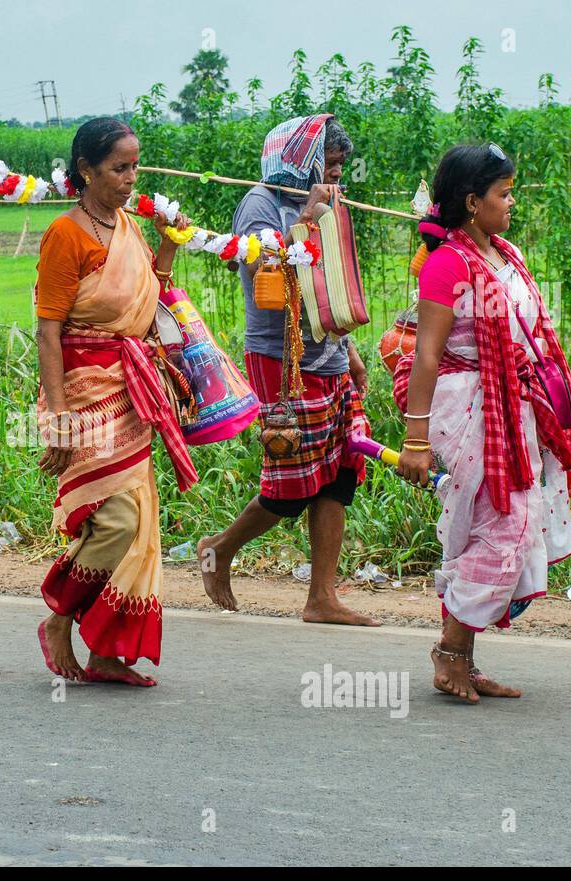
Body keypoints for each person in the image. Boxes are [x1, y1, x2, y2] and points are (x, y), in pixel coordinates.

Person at [398, 143, 571, 702]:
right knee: (506, 527)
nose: (512, 202)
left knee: (504, 525)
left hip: (514, 412)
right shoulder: (447, 264)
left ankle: (458, 657)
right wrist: (414, 440)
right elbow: (426, 355)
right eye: (503, 193)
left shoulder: (503, 254)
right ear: (472, 201)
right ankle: (449, 655)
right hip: (471, 410)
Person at [197, 114, 378, 627]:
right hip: (282, 360)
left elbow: (330, 286)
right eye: (331, 164)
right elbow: (265, 280)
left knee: (339, 475)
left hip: (329, 354)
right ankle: (219, 548)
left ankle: (321, 597)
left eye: (341, 166)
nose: (339, 175)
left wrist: (352, 351)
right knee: (292, 483)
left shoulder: (326, 200)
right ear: (298, 161)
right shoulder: (260, 203)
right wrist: (307, 220)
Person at [34, 117, 195, 687]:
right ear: (85, 171)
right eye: (118, 168)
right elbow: (48, 331)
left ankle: (106, 650)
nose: (131, 178)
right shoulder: (66, 234)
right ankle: (59, 617)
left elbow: (147, 298)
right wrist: (55, 418)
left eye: (135, 166)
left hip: (131, 391)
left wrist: (170, 250)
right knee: (117, 520)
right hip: (81, 394)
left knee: (138, 523)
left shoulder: (128, 227)